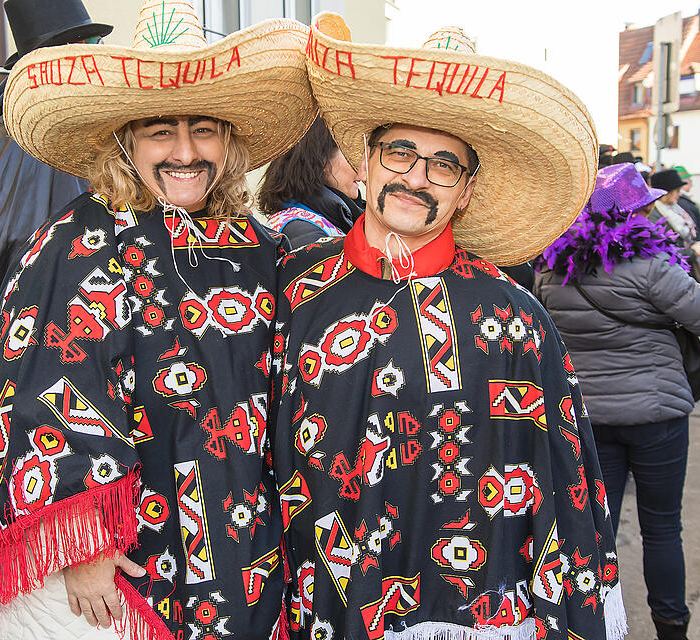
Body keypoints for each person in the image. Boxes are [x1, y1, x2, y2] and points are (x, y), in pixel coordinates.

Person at [0, 2, 317, 639]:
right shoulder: (74, 241)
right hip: (119, 557)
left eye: (205, 129)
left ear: (230, 141)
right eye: (161, 130)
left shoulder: (259, 249)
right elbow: (32, 394)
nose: (185, 152)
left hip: (237, 535)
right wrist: (77, 546)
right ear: (127, 141)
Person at [273, 17, 625, 640]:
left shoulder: (514, 318)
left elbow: (563, 478)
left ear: (464, 193)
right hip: (317, 603)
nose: (415, 177)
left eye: (443, 165)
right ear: (365, 164)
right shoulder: (289, 289)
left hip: (469, 613)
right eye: (400, 153)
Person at [535, 163, 700, 640]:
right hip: (657, 415)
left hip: (590, 418)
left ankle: (592, 624)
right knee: (660, 527)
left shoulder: (551, 271)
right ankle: (671, 627)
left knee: (595, 531)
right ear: (635, 213)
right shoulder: (653, 268)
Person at [0, 0, 113, 475]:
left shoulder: (44, 136)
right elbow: (13, 257)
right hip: (44, 368)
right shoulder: (30, 142)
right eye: (88, 47)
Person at [258, 116, 364, 248]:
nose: (362, 167)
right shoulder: (302, 230)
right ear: (321, 160)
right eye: (351, 156)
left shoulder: (317, 222)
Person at [649, 169, 700, 259]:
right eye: (677, 191)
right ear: (667, 193)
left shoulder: (675, 209)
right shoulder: (654, 216)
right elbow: (663, 251)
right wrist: (692, 251)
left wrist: (695, 245)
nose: (679, 195)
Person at [671, 165, 700, 243]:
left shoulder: (683, 199)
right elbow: (694, 226)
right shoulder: (681, 201)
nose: (692, 185)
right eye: (690, 182)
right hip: (696, 244)